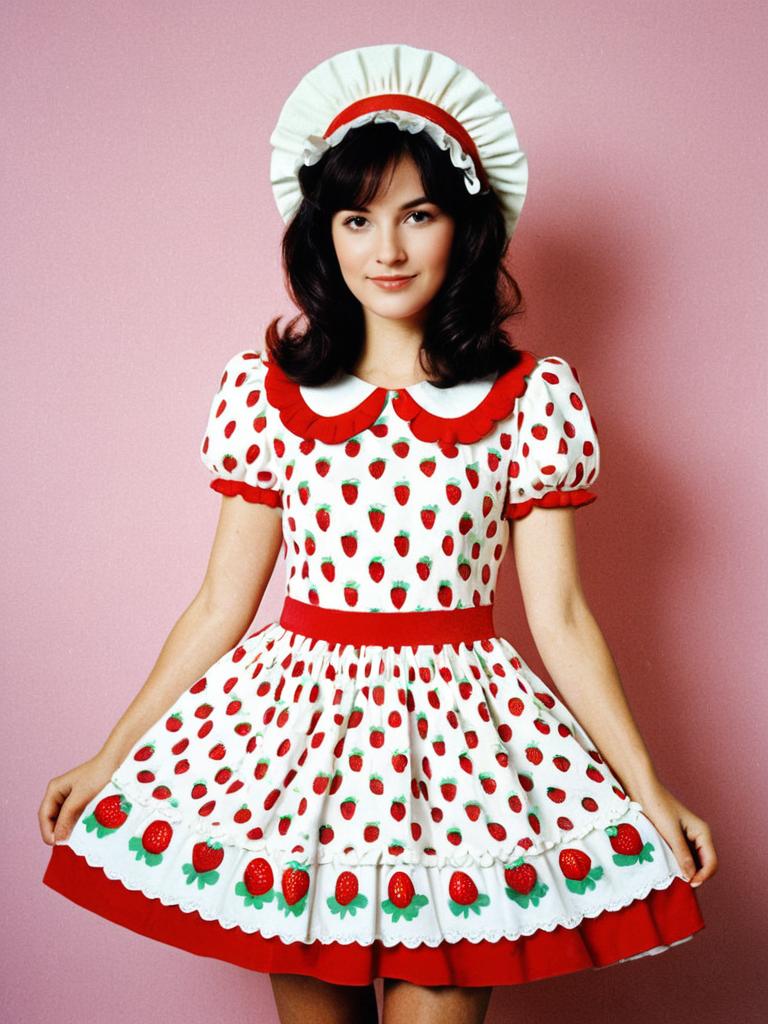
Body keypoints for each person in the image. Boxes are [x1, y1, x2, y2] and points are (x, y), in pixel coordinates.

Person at [39, 43, 717, 1024]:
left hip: (465, 757)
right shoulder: (268, 397)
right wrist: (110, 757)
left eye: (419, 214)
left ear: (465, 227)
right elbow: (222, 603)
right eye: (359, 219)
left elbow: (561, 617)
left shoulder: (528, 403)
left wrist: (649, 789)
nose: (387, 249)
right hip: (295, 753)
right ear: (326, 232)